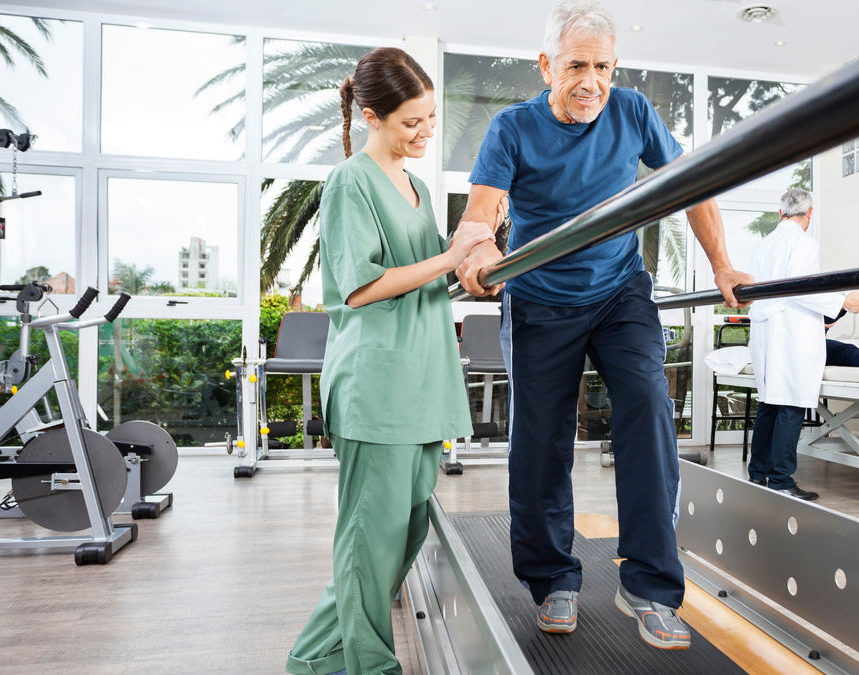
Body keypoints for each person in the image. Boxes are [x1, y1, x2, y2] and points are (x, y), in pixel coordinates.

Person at [454, 0, 754, 652]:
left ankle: (649, 585)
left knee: (647, 406)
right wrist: (480, 253)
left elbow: (692, 186)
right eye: (576, 66)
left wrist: (725, 264)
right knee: (540, 441)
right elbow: (480, 216)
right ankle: (553, 578)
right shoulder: (513, 128)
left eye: (603, 67)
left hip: (620, 293)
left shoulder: (633, 112)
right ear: (546, 67)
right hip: (538, 299)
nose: (591, 81)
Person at [285, 47, 495, 675]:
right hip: (376, 386)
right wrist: (451, 253)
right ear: (372, 116)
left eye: (431, 118)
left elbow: (432, 279)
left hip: (423, 381)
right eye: (412, 123)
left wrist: (477, 267)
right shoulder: (350, 181)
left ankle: (315, 656)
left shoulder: (417, 187)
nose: (426, 132)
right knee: (368, 539)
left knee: (400, 537)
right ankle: (369, 665)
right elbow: (361, 286)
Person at [747, 188, 859, 501]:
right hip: (790, 334)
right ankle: (782, 480)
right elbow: (802, 287)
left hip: (767, 329)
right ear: (809, 214)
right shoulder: (803, 242)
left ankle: (758, 474)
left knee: (769, 403)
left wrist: (829, 312)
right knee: (790, 403)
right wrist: (844, 301)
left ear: (780, 214)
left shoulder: (763, 245)